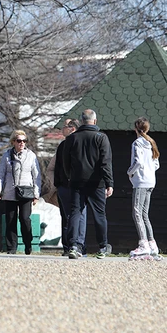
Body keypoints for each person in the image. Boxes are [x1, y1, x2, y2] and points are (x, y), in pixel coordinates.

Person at [61, 109, 113, 259]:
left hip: (77, 181)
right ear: (95, 121)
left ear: (82, 121)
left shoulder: (72, 138)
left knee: (75, 213)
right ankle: (102, 246)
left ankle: (73, 246)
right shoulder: (101, 137)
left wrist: (70, 175)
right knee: (99, 214)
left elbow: (66, 161)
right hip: (97, 182)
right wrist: (109, 182)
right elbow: (105, 162)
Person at [0, 129, 42, 255]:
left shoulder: (31, 156)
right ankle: (11, 248)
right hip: (10, 191)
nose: (22, 143)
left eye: (24, 141)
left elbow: (37, 176)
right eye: (19, 141)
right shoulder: (7, 155)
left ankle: (28, 243)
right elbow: (0, 174)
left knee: (25, 219)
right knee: (10, 220)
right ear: (13, 142)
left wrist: (36, 194)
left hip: (26, 191)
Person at [127, 117, 161, 259]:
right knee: (144, 213)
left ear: (136, 128)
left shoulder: (137, 143)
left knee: (137, 212)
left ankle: (143, 244)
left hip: (140, 181)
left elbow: (138, 162)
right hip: (151, 181)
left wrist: (130, 172)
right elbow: (156, 164)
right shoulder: (151, 142)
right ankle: (152, 243)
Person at [52, 119, 85, 256]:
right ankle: (69, 246)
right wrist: (58, 184)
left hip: (74, 186)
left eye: (65, 127)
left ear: (72, 128)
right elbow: (57, 167)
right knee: (68, 217)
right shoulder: (62, 145)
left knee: (77, 216)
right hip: (65, 186)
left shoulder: (77, 144)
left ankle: (77, 245)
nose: (62, 129)